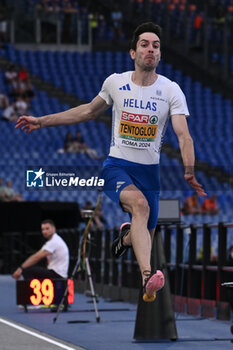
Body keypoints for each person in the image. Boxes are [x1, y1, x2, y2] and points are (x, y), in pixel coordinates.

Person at [15, 22, 206, 302]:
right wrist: (42, 121)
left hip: (150, 174)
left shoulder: (171, 90)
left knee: (142, 229)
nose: (150, 49)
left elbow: (183, 135)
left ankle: (124, 239)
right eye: (144, 44)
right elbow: (88, 112)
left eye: (155, 45)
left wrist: (189, 171)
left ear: (160, 54)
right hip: (117, 165)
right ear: (133, 52)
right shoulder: (116, 82)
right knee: (139, 206)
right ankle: (147, 280)